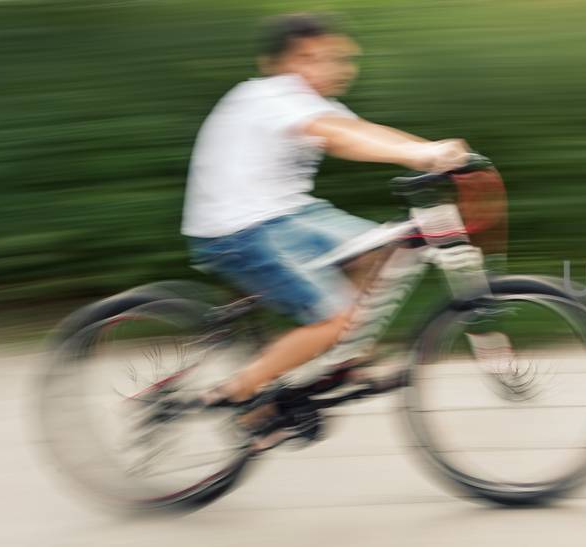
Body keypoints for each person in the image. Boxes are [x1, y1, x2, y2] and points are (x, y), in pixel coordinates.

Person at [181, 14, 470, 439]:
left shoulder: (314, 104)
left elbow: (364, 132)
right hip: (238, 229)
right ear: (302, 59)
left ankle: (343, 359)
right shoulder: (270, 94)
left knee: (382, 246)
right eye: (334, 58)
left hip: (287, 214)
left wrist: (428, 150)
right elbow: (341, 138)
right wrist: (421, 156)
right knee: (334, 318)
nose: (344, 68)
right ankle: (245, 397)